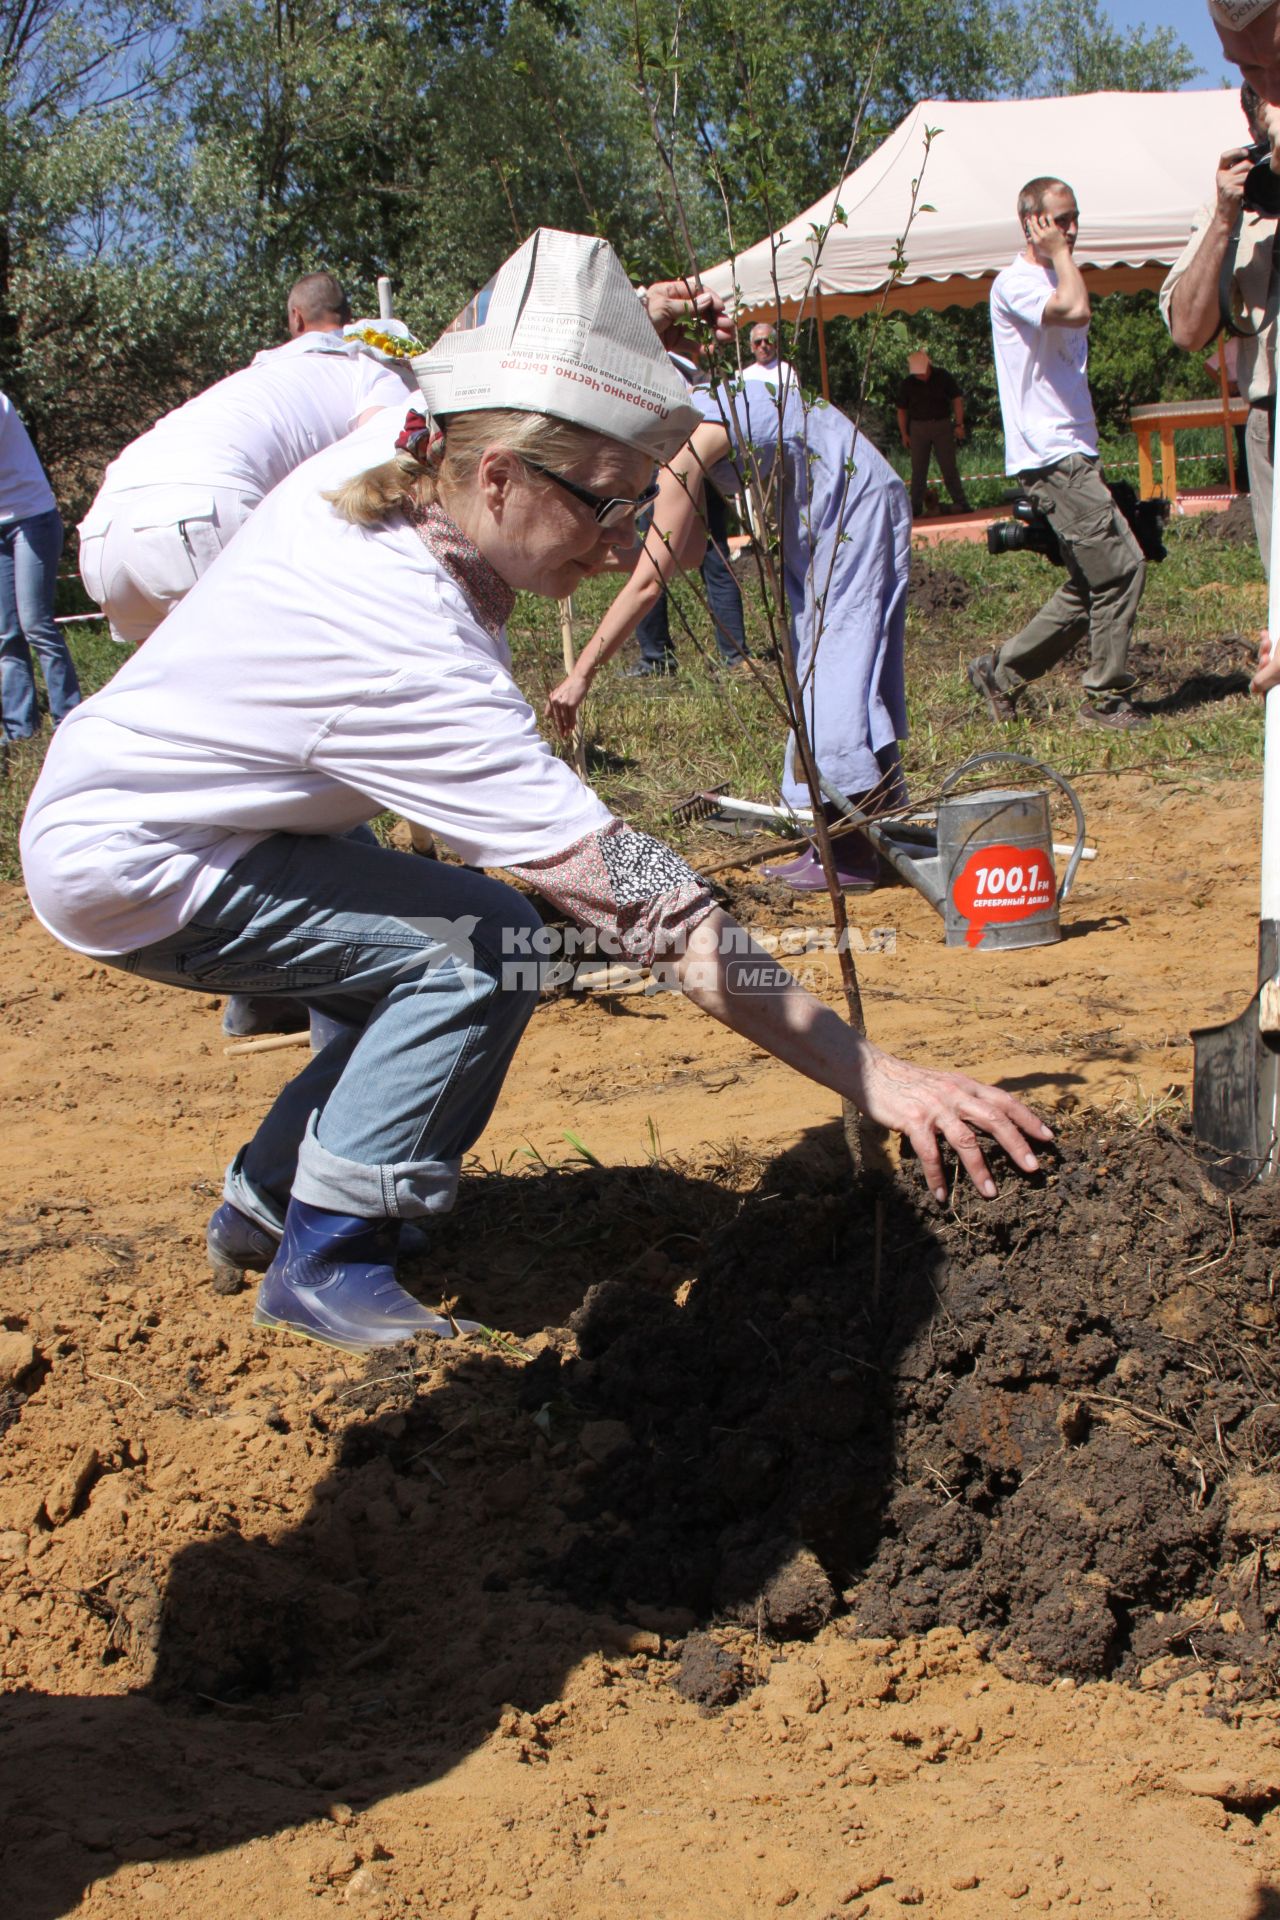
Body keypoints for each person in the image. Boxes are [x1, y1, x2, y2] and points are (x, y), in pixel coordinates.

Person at [21, 231, 1050, 1358]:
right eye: (605, 506)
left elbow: (473, 344)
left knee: (421, 943)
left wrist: (622, 330)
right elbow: (644, 906)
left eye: (636, 505)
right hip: (138, 859)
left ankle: (264, 1209)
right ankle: (329, 1258)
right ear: (501, 478)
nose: (622, 549)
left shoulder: (410, 446)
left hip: (177, 808)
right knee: (479, 945)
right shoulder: (403, 641)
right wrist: (875, 1075)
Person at [549, 378, 911, 895]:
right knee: (831, 660)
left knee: (834, 665)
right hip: (834, 506)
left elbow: (651, 580)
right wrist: (586, 559)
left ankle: (849, 853)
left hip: (849, 508)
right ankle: (866, 832)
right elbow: (689, 554)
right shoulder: (697, 423)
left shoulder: (688, 447)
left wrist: (581, 672)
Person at [77, 272, 414, 649]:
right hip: (202, 514)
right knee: (290, 678)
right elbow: (378, 461)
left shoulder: (251, 379)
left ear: (296, 319)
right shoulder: (369, 372)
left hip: (103, 526)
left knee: (172, 694)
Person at [968, 176, 1149, 732]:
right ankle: (1103, 698)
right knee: (1123, 569)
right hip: (1053, 456)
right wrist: (1061, 254)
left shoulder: (1054, 272)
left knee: (1088, 583)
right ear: (1032, 223)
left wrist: (1061, 256)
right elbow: (1073, 311)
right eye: (1060, 219)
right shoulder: (1015, 283)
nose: (1071, 229)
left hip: (1074, 451)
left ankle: (1000, 674)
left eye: (1074, 218)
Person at [1160, 85, 1275, 571]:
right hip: (1272, 420)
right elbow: (1186, 330)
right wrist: (1227, 217)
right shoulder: (1233, 209)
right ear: (1253, 132)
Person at [628, 355, 749, 680]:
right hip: (679, 462)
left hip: (678, 463)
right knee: (693, 558)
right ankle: (664, 656)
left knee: (663, 560)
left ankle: (729, 657)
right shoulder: (682, 363)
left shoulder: (661, 362)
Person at [0, 392, 80, 741]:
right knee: (6, 634)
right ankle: (20, 733)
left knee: (35, 624)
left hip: (32, 519)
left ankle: (68, 722)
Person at [896, 349, 971, 518]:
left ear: (929, 366)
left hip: (942, 425)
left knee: (948, 466)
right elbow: (901, 410)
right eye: (917, 375)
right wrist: (904, 434)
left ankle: (962, 503)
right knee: (918, 471)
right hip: (918, 428)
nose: (920, 377)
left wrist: (959, 424)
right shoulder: (907, 384)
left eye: (922, 373)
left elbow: (957, 399)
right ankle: (914, 510)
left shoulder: (943, 377)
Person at [741, 322, 796, 388]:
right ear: (752, 347)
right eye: (758, 342)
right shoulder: (745, 375)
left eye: (767, 341)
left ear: (775, 345)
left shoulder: (787, 371)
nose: (763, 345)